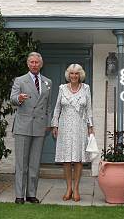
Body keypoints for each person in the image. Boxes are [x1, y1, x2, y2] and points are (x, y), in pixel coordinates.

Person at [10, 52, 52, 204]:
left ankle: (31, 194)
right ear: (28, 64)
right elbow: (12, 99)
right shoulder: (20, 80)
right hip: (23, 126)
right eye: (32, 62)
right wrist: (18, 98)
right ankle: (19, 195)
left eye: (37, 62)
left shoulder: (48, 82)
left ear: (41, 64)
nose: (34, 65)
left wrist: (48, 124)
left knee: (35, 163)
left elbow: (48, 106)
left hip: (39, 127)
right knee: (22, 163)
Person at [51, 64, 94, 202]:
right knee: (67, 160)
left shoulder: (86, 88)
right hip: (64, 127)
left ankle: (76, 189)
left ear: (80, 75)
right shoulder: (62, 89)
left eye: (76, 73)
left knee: (78, 159)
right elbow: (57, 108)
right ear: (68, 75)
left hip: (80, 126)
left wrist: (90, 126)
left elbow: (89, 109)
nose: (74, 76)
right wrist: (54, 125)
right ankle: (68, 188)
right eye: (71, 73)